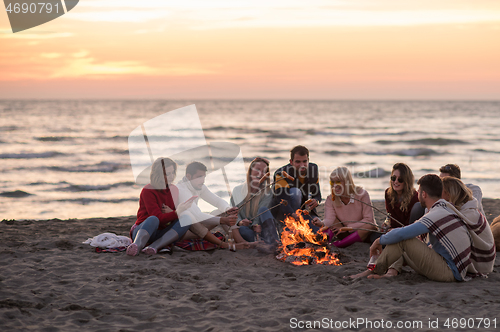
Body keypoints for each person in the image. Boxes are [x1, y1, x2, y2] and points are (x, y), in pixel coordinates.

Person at [356, 174, 473, 282]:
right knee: (399, 238)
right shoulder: (444, 208)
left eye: (419, 191)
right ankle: (390, 271)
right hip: (450, 266)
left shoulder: (436, 214)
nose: (417, 194)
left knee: (403, 239)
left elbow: (403, 234)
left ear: (424, 194)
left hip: (450, 272)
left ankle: (375, 269)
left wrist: (378, 241)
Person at [127, 157, 195, 256]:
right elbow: (158, 218)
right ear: (158, 174)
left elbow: (172, 216)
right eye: (167, 174)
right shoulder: (148, 190)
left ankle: (154, 247)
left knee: (186, 219)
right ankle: (136, 246)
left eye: (173, 173)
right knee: (153, 219)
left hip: (162, 232)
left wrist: (179, 210)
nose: (171, 176)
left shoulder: (174, 189)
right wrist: (176, 212)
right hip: (145, 229)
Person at [177, 161, 249, 250]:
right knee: (223, 216)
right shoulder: (181, 190)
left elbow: (217, 201)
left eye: (204, 177)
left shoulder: (197, 186)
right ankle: (241, 242)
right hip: (185, 231)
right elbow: (198, 215)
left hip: (196, 227)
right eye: (199, 177)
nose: (203, 180)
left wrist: (228, 209)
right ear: (188, 176)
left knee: (223, 211)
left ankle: (237, 240)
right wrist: (223, 220)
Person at [441, 176, 495, 275]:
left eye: (440, 191)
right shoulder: (464, 209)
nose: (437, 194)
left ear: (448, 194)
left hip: (480, 264)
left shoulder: (468, 213)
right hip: (481, 261)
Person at [316, 167, 376, 248]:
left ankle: (340, 244)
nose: (334, 185)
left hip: (362, 232)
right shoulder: (330, 199)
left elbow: (369, 220)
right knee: (333, 221)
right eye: (332, 182)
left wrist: (348, 228)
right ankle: (326, 241)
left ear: (347, 181)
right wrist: (321, 223)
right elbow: (329, 219)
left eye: (338, 181)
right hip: (344, 232)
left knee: (369, 225)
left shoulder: (362, 194)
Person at [230, 157, 280, 245]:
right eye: (257, 169)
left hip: (262, 229)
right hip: (245, 229)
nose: (260, 173)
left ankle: (273, 241)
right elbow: (233, 212)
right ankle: (259, 242)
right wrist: (240, 222)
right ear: (250, 171)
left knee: (263, 210)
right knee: (243, 230)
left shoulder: (268, 191)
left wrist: (256, 224)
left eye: (264, 171)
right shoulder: (237, 190)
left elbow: (262, 211)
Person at [272, 145, 321, 232]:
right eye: (298, 162)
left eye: (304, 161)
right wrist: (293, 215)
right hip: (285, 213)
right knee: (296, 192)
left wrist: (316, 201)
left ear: (308, 160)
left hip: (304, 213)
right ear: (291, 162)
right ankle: (287, 227)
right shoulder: (281, 173)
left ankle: (300, 227)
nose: (302, 165)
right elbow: (282, 201)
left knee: (318, 232)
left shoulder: (313, 169)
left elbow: (317, 195)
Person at [385, 163, 419, 227]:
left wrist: (395, 231)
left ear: (407, 181)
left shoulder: (414, 197)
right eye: (393, 178)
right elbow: (391, 217)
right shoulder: (388, 193)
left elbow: (410, 224)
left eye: (400, 179)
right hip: (393, 230)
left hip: (407, 232)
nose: (396, 181)